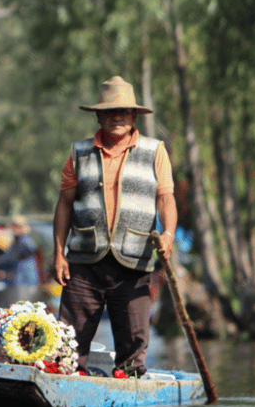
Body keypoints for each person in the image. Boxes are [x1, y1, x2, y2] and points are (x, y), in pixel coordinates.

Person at [52, 76, 176, 378]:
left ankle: (129, 401)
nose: (117, 116)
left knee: (133, 346)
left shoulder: (155, 151)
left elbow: (166, 199)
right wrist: (58, 253)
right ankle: (68, 385)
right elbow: (64, 204)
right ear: (98, 115)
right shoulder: (79, 153)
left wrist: (169, 235)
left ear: (134, 115)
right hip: (84, 263)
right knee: (68, 344)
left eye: (123, 111)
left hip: (134, 262)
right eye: (109, 111)